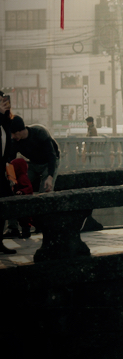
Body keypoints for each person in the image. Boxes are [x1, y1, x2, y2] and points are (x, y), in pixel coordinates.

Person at [9, 116, 60, 195]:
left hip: (49, 162)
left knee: (45, 191)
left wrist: (50, 176)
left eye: (14, 134)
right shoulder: (15, 141)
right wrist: (11, 178)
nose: (13, 136)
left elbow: (51, 155)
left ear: (20, 130)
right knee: (20, 184)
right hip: (33, 163)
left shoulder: (40, 132)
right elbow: (10, 159)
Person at [1, 92, 15, 254]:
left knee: (5, 203)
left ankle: (0, 241)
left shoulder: (5, 122)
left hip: (2, 170)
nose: (3, 104)